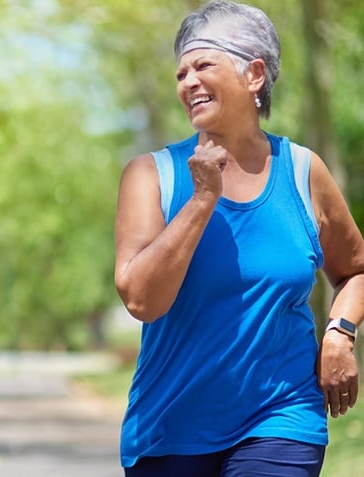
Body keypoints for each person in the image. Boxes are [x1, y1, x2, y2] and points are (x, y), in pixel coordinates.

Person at [114, 1, 364, 476]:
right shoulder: (151, 175)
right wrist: (200, 201)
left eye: (203, 65)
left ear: (253, 75)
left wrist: (340, 334)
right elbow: (142, 300)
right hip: (170, 429)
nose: (187, 82)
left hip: (281, 418)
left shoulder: (302, 170)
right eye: (181, 73)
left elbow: (355, 269)